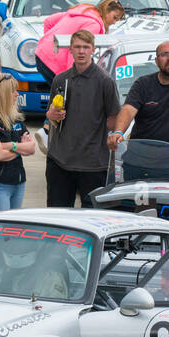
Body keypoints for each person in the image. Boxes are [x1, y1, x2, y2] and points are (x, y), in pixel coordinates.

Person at [45, 28, 120, 207]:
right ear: (70, 49)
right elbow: (50, 115)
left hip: (93, 166)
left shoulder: (105, 81)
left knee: (92, 219)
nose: (81, 51)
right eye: (77, 47)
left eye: (86, 47)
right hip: (60, 162)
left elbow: (114, 118)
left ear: (93, 50)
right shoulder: (60, 79)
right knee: (58, 218)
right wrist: (50, 115)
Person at [37, 0, 126, 87]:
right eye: (114, 17)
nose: (114, 22)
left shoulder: (82, 11)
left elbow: (48, 21)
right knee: (66, 97)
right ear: (106, 10)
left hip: (41, 53)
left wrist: (50, 45)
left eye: (117, 20)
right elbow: (78, 49)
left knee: (61, 96)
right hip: (53, 63)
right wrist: (72, 77)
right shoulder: (94, 25)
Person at [0, 77, 35, 211]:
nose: (17, 94)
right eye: (13, 91)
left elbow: (31, 148)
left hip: (19, 182)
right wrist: (20, 147)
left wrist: (9, 146)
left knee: (13, 229)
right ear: (2, 94)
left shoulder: (16, 117)